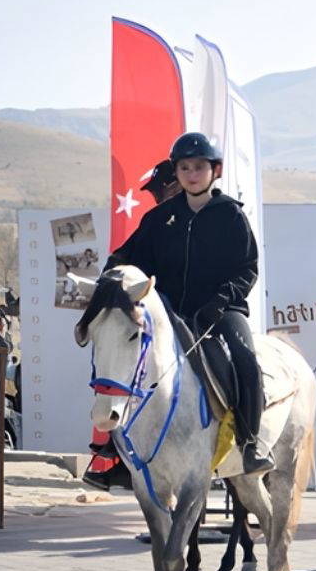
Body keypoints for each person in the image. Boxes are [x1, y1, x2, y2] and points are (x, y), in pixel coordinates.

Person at [105, 132, 271, 476]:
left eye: (199, 167)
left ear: (215, 170)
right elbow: (131, 256)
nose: (191, 174)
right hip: (168, 312)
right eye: (184, 167)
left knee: (245, 358)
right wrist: (111, 270)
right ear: (176, 172)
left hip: (220, 311)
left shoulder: (231, 216)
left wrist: (221, 302)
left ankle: (250, 441)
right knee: (124, 355)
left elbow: (247, 269)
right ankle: (119, 451)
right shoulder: (158, 219)